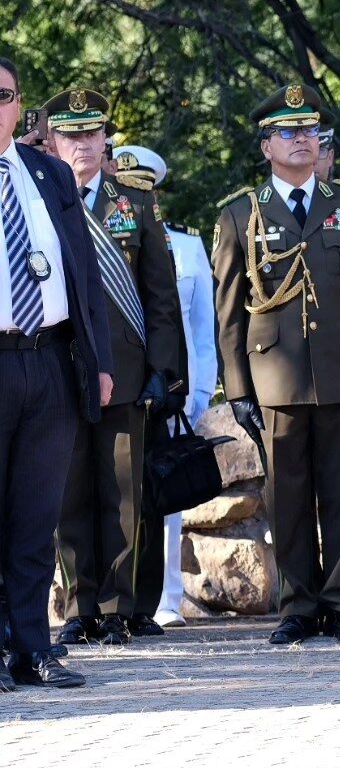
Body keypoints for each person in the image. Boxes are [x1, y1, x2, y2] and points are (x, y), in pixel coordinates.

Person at [213, 84, 340, 646]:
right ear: (266, 146)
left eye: (310, 130)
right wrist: (238, 389)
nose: (302, 139)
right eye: (288, 132)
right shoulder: (241, 214)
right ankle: (297, 605)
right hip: (275, 377)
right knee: (287, 497)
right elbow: (229, 313)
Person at [47, 91, 185, 650]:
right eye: (70, 135)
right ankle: (79, 608)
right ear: (53, 141)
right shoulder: (40, 199)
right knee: (69, 495)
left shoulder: (135, 203)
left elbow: (161, 296)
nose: (82, 144)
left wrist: (164, 368)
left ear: (105, 140)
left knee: (123, 495)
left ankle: (116, 608)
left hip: (127, 370)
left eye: (91, 133)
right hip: (60, 367)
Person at [0, 61, 111, 690]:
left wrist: (99, 362)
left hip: (50, 361)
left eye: (4, 95)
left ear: (22, 108)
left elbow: (83, 272)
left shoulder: (48, 173)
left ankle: (32, 648)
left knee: (36, 516)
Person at [114, 144, 218, 631]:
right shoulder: (106, 239)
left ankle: (165, 597)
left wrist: (200, 392)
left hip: (173, 386)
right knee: (118, 491)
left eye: (144, 191)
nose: (138, 199)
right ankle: (117, 598)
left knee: (164, 492)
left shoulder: (187, 245)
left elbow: (201, 329)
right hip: (122, 380)